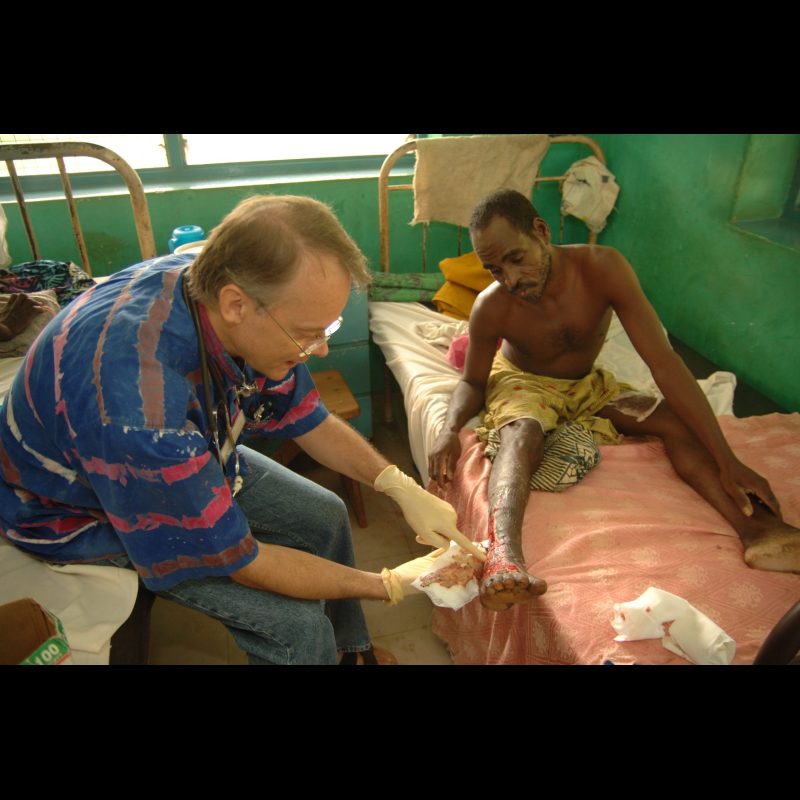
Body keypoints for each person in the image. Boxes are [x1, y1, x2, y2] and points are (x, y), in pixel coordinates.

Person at [0, 194, 477, 665]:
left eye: (324, 330)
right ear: (235, 305)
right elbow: (244, 561)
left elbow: (308, 417)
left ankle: (349, 653)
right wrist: (392, 584)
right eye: (308, 333)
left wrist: (400, 485)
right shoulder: (139, 409)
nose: (321, 350)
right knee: (296, 629)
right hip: (85, 511)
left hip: (194, 452)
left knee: (326, 513)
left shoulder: (210, 282)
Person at [428, 189, 800, 611]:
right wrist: (449, 429)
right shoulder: (491, 307)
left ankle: (760, 532)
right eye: (494, 269)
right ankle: (503, 557)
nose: (510, 279)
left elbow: (663, 362)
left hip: (588, 384)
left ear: (541, 231)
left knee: (674, 421)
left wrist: (727, 458)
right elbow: (473, 383)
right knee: (521, 434)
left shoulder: (603, 269)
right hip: (525, 384)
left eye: (516, 259)